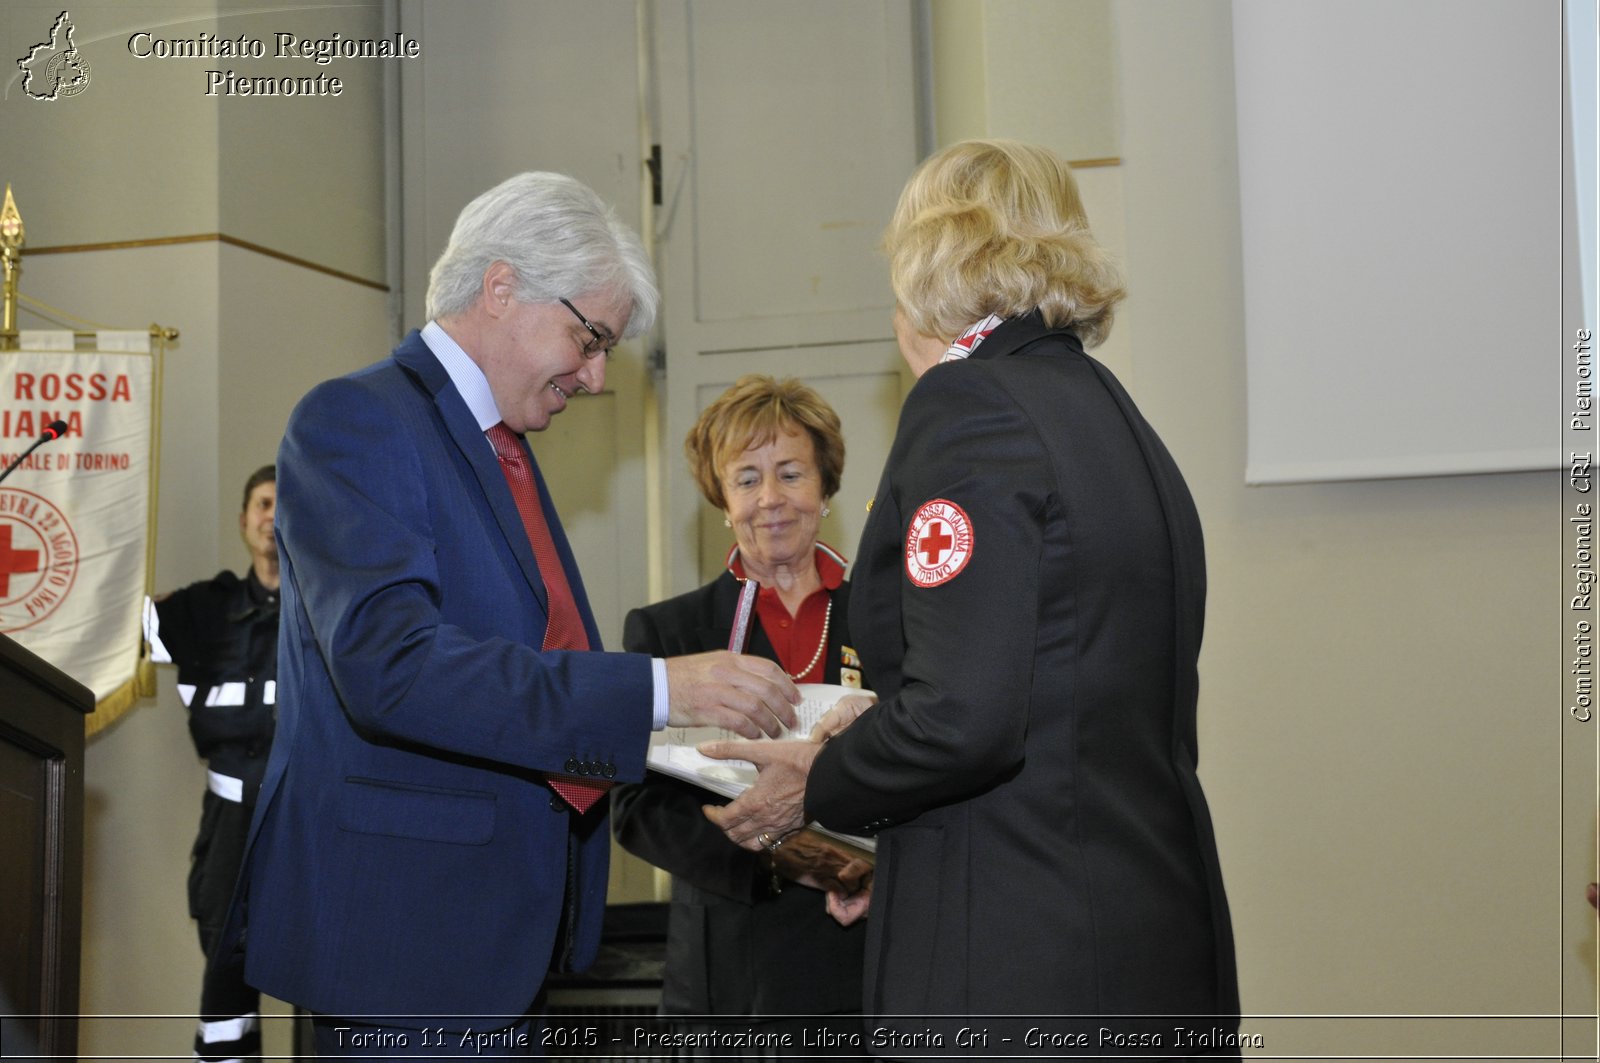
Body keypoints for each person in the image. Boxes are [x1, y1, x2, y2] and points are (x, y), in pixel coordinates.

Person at [226, 172, 799, 1057]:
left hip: (496, 935)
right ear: (502, 288)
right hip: (403, 943)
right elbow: (393, 668)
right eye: (590, 336)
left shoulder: (504, 451)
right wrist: (657, 686)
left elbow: (523, 673)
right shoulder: (357, 419)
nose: (599, 375)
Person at [701, 140, 1241, 1052]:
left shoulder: (972, 406)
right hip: (1146, 933)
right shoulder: (1111, 412)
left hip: (1018, 958)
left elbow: (966, 720)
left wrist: (820, 780)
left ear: (928, 261)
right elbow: (1052, 690)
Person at [610, 375, 871, 1047]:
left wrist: (881, 866)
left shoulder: (889, 617)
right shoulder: (669, 632)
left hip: (872, 946)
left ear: (825, 485)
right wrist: (788, 855)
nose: (771, 499)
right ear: (721, 500)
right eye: (747, 479)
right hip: (732, 964)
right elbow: (637, 810)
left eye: (790, 473)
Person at [144, 464, 278, 1063]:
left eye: (286, 504)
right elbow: (109, 620)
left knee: (333, 958)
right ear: (244, 520)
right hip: (229, 818)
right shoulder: (204, 610)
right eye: (263, 503)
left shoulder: (330, 606)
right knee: (226, 962)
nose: (274, 515)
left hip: (307, 813)